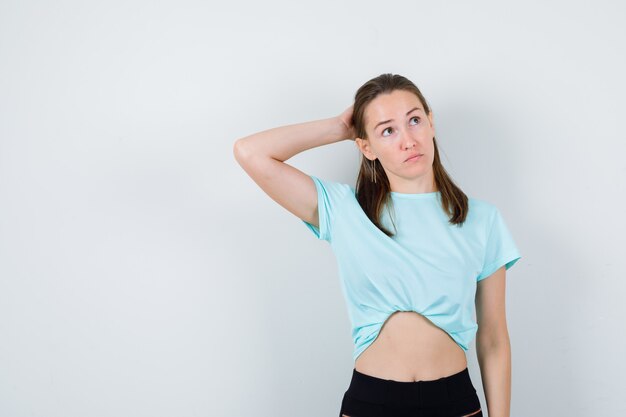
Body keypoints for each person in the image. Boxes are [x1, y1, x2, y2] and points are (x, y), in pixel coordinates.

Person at [233, 73, 521, 417]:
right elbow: (250, 153)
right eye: (388, 130)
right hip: (372, 402)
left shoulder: (482, 220)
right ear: (366, 146)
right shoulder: (342, 209)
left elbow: (493, 339)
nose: (408, 140)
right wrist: (339, 127)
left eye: (414, 120)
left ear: (430, 123)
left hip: (454, 401)